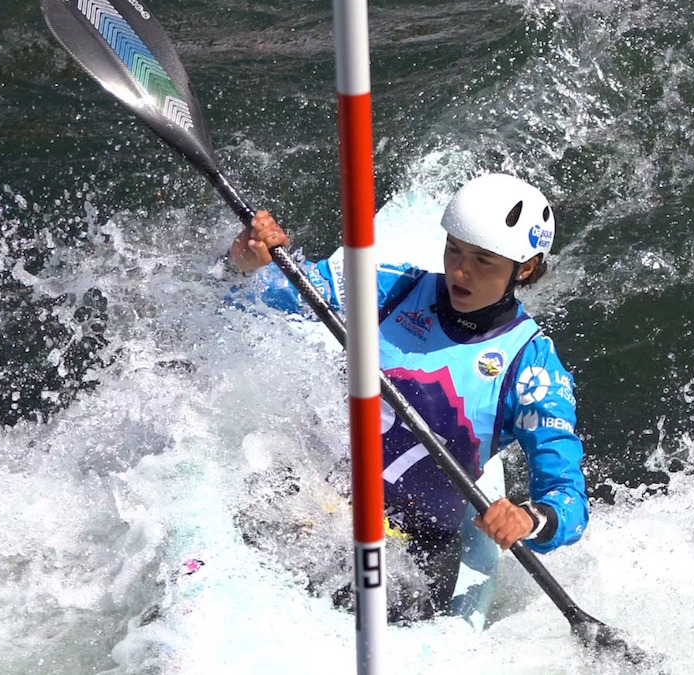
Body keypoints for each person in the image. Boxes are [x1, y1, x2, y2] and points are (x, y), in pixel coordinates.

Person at [228, 173, 589, 626]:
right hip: (311, 489)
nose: (460, 271)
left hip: (407, 546)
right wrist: (247, 264)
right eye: (454, 248)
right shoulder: (391, 289)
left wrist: (528, 519)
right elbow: (262, 299)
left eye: (483, 260)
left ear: (527, 268)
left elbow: (568, 500)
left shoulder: (531, 367)